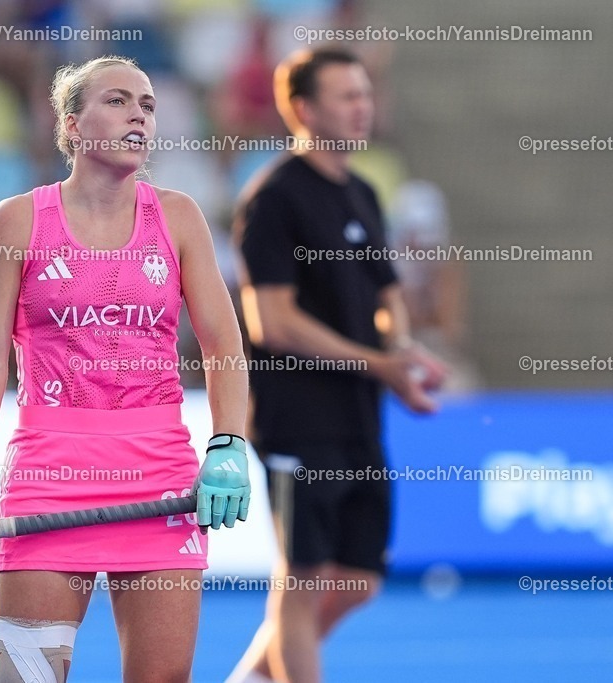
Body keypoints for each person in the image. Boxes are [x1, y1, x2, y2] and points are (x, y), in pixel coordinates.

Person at [0, 55, 251, 682]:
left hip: (160, 480)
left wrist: (229, 444)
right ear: (72, 125)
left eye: (149, 104)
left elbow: (224, 346)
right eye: (119, 100)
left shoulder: (178, 217)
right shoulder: (16, 221)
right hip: (50, 476)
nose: (139, 113)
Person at [227, 47, 446, 683]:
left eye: (365, 94)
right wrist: (379, 365)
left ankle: (254, 677)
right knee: (302, 578)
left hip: (358, 418)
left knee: (359, 578)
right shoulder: (273, 199)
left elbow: (386, 295)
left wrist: (400, 348)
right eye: (345, 96)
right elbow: (273, 321)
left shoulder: (362, 192)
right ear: (304, 108)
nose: (361, 107)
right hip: (296, 419)